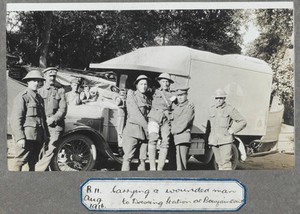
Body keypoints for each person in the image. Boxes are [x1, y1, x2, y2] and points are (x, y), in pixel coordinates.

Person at [10, 70, 49, 171]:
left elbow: (42, 119)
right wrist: (20, 137)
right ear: (28, 82)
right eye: (33, 81)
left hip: (38, 137)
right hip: (27, 137)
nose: (36, 83)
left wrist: (46, 135)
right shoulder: (23, 97)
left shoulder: (39, 98)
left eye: (38, 81)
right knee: (19, 161)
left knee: (34, 161)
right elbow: (15, 119)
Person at [35, 67, 67, 171]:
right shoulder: (39, 91)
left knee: (52, 148)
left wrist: (53, 118)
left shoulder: (61, 91)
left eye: (54, 76)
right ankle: (46, 170)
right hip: (42, 125)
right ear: (45, 76)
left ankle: (38, 170)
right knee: (41, 148)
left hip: (56, 125)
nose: (52, 78)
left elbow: (63, 109)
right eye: (50, 76)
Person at [208, 89, 247, 170]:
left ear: (224, 98)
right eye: (216, 98)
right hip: (214, 141)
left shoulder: (230, 109)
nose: (218, 100)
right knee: (219, 164)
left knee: (226, 164)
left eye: (221, 98)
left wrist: (232, 130)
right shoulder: (212, 109)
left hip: (225, 140)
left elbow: (242, 121)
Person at [121, 75, 151, 171]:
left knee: (143, 159)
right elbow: (135, 114)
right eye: (141, 84)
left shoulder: (148, 98)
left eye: (145, 84)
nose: (143, 86)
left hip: (144, 134)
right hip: (132, 131)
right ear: (137, 85)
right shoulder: (132, 96)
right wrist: (147, 127)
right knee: (128, 158)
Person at [147, 73, 176, 171]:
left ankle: (160, 169)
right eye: (163, 81)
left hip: (166, 119)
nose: (166, 83)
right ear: (159, 82)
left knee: (165, 142)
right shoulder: (154, 91)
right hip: (154, 117)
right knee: (152, 139)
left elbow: (177, 105)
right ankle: (152, 168)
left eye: (167, 81)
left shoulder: (172, 95)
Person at [171, 87, 195, 171]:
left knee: (182, 165)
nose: (180, 97)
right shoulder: (178, 107)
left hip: (183, 138)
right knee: (178, 164)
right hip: (177, 138)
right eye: (178, 95)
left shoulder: (189, 107)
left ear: (186, 95)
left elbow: (183, 123)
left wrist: (172, 130)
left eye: (182, 95)